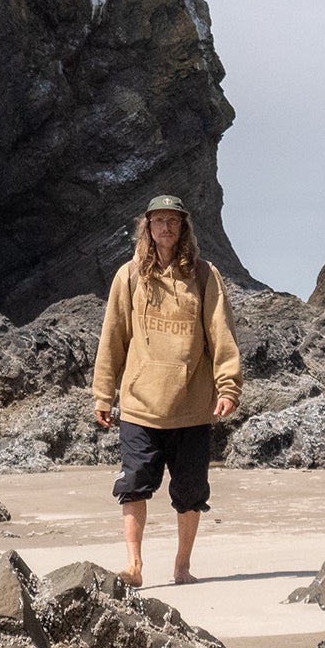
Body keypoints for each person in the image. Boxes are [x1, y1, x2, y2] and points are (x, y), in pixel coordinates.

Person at [92, 195, 241, 587]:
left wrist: (228, 387)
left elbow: (221, 335)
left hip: (192, 405)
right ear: (147, 227)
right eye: (159, 221)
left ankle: (182, 565)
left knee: (190, 491)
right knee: (133, 484)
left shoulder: (206, 276)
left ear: (184, 227)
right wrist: (103, 394)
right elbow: (113, 338)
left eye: (173, 221)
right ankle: (134, 565)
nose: (166, 227)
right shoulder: (128, 276)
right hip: (141, 405)